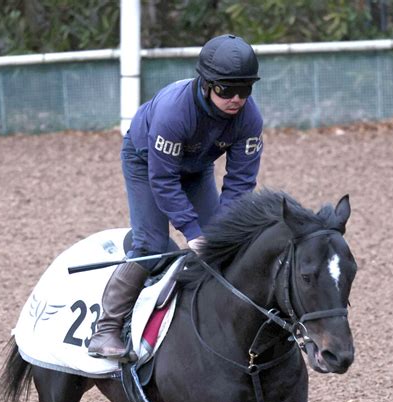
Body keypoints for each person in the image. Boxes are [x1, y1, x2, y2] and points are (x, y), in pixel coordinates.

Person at [88, 34, 264, 360]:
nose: (237, 99)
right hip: (146, 162)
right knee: (152, 246)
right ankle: (106, 329)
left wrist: (218, 234)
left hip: (195, 168)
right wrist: (193, 232)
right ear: (207, 83)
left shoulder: (249, 119)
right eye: (227, 90)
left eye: (245, 90)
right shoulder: (174, 112)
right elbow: (163, 179)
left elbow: (240, 184)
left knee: (225, 244)